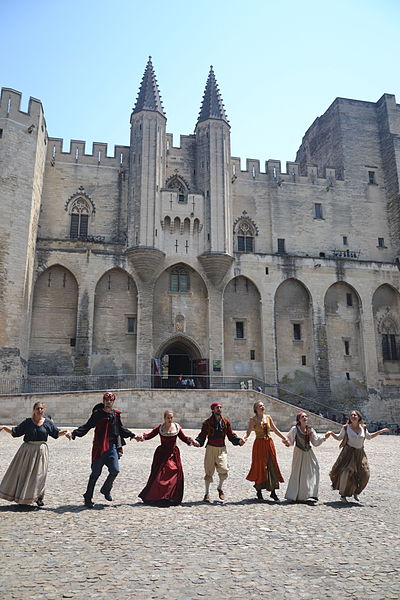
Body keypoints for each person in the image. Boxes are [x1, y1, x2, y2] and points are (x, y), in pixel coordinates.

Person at [71, 392, 137, 508]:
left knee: (115, 470)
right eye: (106, 400)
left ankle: (106, 489)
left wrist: (132, 435)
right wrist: (75, 433)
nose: (108, 402)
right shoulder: (98, 414)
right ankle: (88, 496)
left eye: (110, 400)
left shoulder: (115, 415)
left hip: (111, 446)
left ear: (113, 402)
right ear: (103, 401)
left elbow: (120, 429)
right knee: (96, 473)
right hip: (99, 446)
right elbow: (87, 426)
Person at [0, 402, 71, 507]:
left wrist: (66, 432)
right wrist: (4, 427)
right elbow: (16, 431)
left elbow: (55, 433)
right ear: (34, 410)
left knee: (39, 475)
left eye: (42, 408)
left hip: (41, 451)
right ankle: (22, 498)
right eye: (38, 408)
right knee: (25, 473)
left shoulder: (47, 423)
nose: (40, 410)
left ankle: (38, 497)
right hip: (27, 451)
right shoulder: (28, 422)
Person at [137, 410, 200, 505]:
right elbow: (150, 435)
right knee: (160, 476)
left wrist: (192, 442)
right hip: (162, 454)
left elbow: (183, 438)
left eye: (171, 418)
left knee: (174, 472)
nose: (170, 420)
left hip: (173, 454)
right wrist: (142, 437)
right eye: (168, 418)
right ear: (164, 418)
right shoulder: (160, 428)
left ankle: (170, 496)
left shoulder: (176, 427)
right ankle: (158, 496)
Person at [329, 409, 389, 503]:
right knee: (347, 473)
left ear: (359, 417)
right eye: (351, 415)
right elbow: (339, 438)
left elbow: (369, 437)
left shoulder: (363, 428)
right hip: (348, 453)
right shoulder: (346, 428)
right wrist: (331, 434)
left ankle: (356, 492)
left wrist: (380, 431)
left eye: (355, 415)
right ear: (349, 418)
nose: (353, 416)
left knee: (365, 473)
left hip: (360, 453)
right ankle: (343, 495)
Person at [195, 401, 245, 502]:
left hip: (221, 448)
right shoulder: (207, 423)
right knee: (209, 471)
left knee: (224, 469)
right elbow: (202, 436)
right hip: (210, 448)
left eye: (220, 407)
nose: (219, 409)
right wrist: (197, 442)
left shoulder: (226, 422)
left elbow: (231, 435)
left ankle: (219, 488)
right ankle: (207, 494)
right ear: (213, 409)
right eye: (217, 407)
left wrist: (239, 441)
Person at [243, 400, 289, 502]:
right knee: (260, 466)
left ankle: (273, 492)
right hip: (259, 444)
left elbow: (275, 430)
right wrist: (244, 438)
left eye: (263, 405)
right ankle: (259, 489)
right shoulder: (253, 419)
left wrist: (284, 439)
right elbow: (248, 431)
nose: (262, 407)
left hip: (269, 443)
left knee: (272, 465)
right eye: (260, 406)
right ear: (255, 409)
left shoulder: (268, 418)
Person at [284, 412, 331, 503]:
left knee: (313, 469)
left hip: (308, 452)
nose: (305, 418)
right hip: (298, 451)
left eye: (306, 416)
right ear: (299, 419)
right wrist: (287, 442)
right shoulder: (295, 429)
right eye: (302, 417)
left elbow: (315, 442)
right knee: (297, 472)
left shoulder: (310, 430)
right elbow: (290, 441)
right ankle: (294, 495)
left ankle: (310, 493)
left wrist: (324, 437)